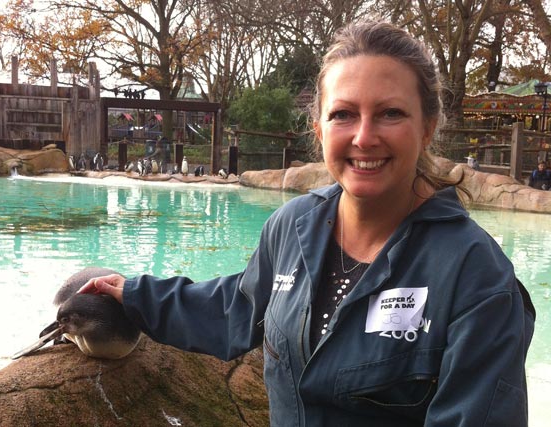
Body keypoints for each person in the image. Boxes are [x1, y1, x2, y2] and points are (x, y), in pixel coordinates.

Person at [78, 20, 535, 426]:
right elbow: (239, 309)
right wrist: (137, 296)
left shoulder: (476, 275)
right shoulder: (292, 225)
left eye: (390, 113)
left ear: (428, 126)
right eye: (343, 114)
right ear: (318, 129)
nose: (364, 136)